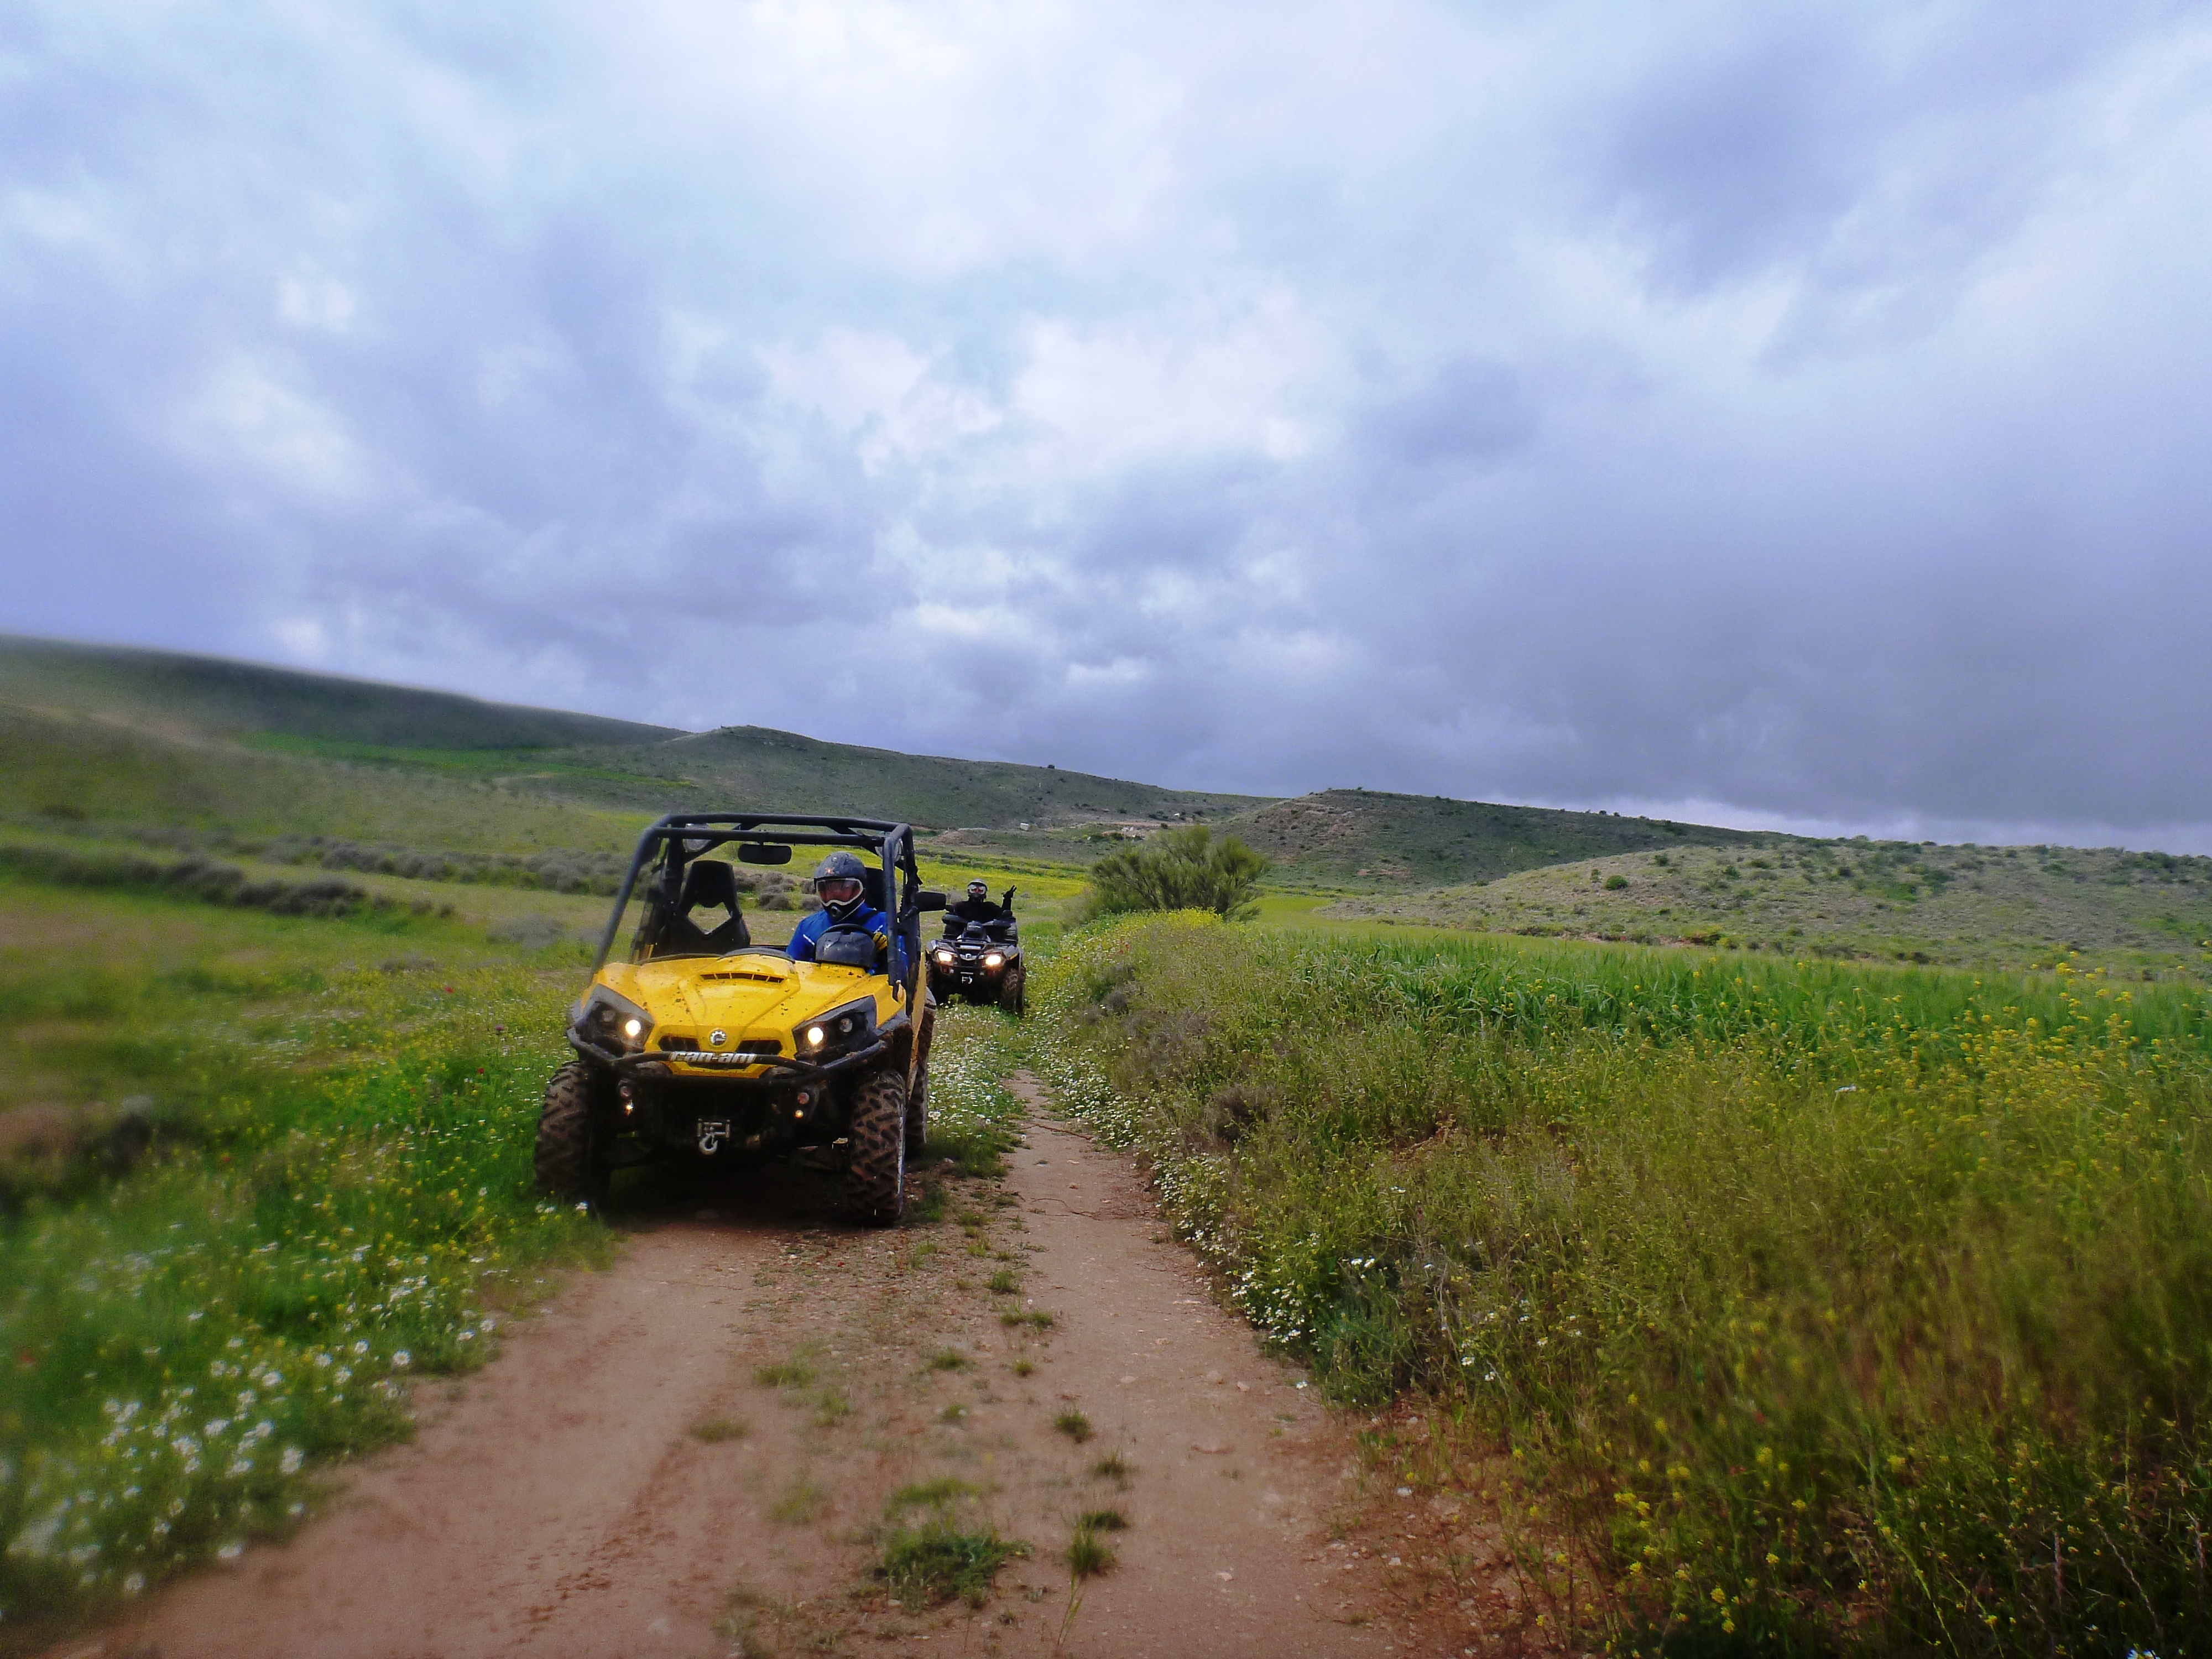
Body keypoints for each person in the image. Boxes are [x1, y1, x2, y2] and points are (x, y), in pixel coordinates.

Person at [786, 851, 905, 977]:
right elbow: (789, 970)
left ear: (861, 891)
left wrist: (887, 954)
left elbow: (905, 976)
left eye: (844, 889)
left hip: (871, 993)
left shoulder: (887, 924)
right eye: (827, 890)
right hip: (820, 992)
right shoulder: (807, 928)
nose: (834, 898)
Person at [945, 878, 1015, 931]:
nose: (977, 893)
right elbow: (952, 917)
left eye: (981, 890)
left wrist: (1007, 899)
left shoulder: (990, 907)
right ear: (969, 891)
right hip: (961, 937)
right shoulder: (960, 907)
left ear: (985, 893)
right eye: (974, 889)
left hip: (987, 939)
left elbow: (1003, 915)